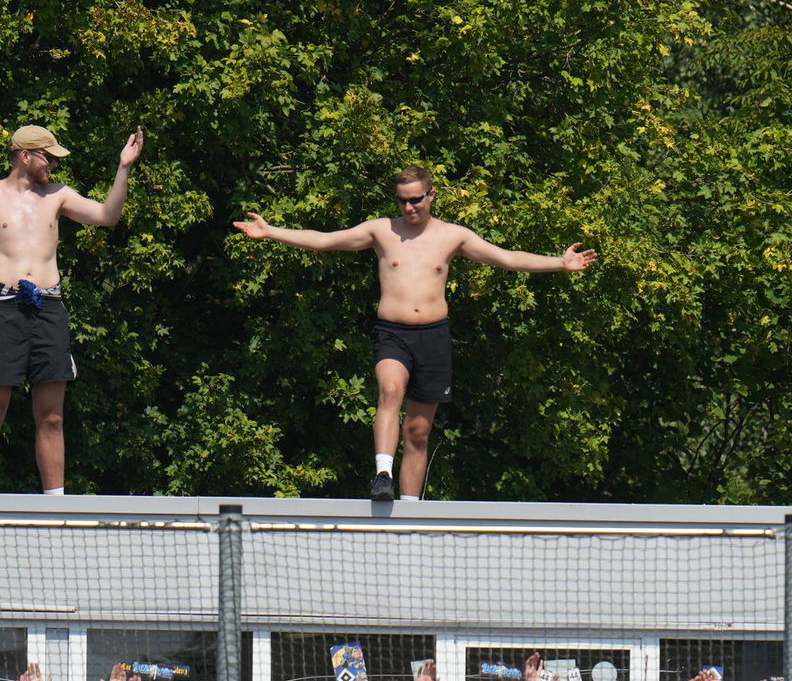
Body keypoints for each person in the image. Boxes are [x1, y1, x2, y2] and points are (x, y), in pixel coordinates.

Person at [233, 166, 596, 500]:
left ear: (431, 196)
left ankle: (409, 510)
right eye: (403, 200)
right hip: (392, 332)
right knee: (390, 390)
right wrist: (271, 232)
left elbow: (507, 258)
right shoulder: (381, 230)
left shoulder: (453, 236)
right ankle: (382, 476)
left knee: (418, 433)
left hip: (433, 338)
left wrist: (560, 264)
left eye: (416, 199)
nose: (409, 207)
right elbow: (327, 240)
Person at [0, 113, 144, 496]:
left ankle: (56, 505)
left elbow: (107, 216)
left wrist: (123, 168)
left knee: (51, 415)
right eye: (49, 157)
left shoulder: (58, 195)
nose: (55, 164)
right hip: (4, 306)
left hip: (48, 308)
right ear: (24, 156)